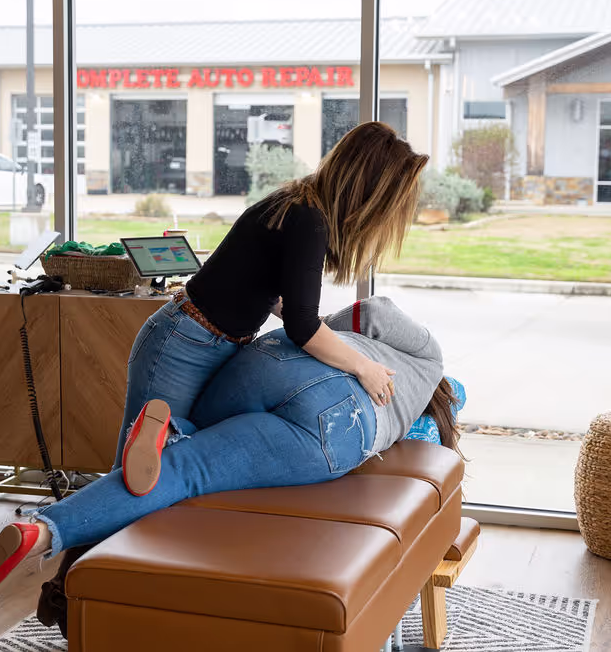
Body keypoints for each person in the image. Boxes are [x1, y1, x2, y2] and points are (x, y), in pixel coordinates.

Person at [0, 296, 460, 610]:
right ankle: (41, 532)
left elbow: (370, 312)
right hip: (343, 428)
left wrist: (326, 327)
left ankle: (170, 430)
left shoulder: (430, 355)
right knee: (189, 472)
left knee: (190, 446)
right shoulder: (413, 422)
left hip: (282, 362)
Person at [116, 121, 430, 496]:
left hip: (209, 342)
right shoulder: (308, 220)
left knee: (165, 469)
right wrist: (366, 367)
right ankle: (83, 554)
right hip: (183, 347)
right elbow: (301, 327)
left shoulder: (298, 206)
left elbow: (272, 294)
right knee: (135, 478)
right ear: (370, 190)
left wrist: (320, 328)